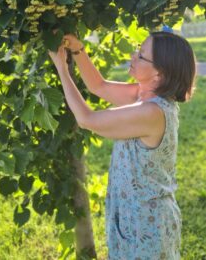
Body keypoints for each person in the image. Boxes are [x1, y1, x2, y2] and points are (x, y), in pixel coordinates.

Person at [48, 31, 196, 260]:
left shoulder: (151, 112)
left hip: (146, 224)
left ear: (159, 73)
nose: (133, 55)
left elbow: (87, 120)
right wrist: (77, 50)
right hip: (132, 214)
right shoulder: (144, 96)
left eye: (142, 55)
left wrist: (62, 68)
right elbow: (98, 86)